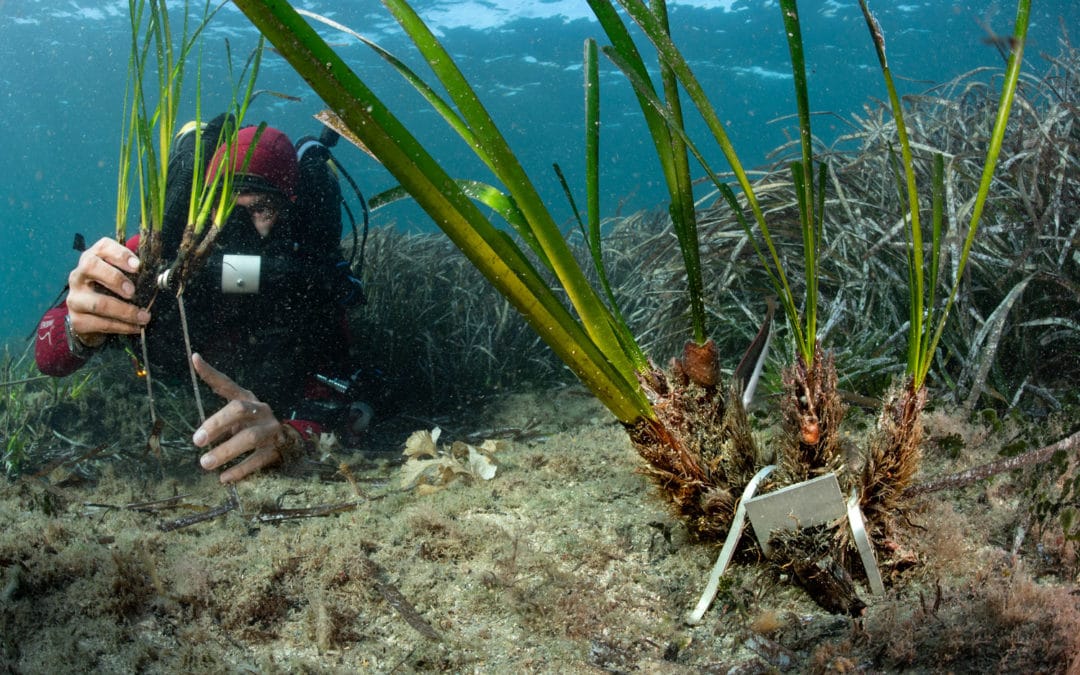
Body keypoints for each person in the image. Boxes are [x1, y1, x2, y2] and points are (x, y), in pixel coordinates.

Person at [35, 122, 363, 482]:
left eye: (260, 207)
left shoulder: (302, 285)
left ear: (287, 211)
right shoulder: (158, 257)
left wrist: (292, 437)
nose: (236, 226)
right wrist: (77, 329)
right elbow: (48, 357)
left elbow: (335, 387)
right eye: (223, 205)